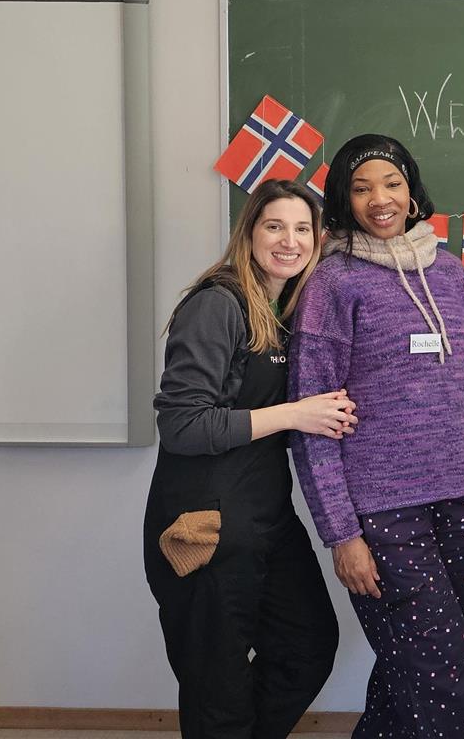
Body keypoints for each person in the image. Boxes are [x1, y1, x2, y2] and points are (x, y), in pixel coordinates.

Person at [289, 133, 464, 738]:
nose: (380, 199)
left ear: (412, 192)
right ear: (343, 200)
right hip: (382, 513)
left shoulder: (450, 272)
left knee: (415, 673)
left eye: (392, 183)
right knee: (442, 680)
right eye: (361, 188)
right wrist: (341, 534)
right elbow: (313, 423)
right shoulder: (332, 283)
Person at [143, 178, 356, 739]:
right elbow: (182, 424)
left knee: (307, 645)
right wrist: (295, 414)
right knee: (217, 691)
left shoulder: (284, 309)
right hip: (204, 526)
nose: (290, 240)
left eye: (303, 229)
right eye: (274, 226)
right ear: (249, 232)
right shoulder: (217, 304)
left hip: (266, 521)